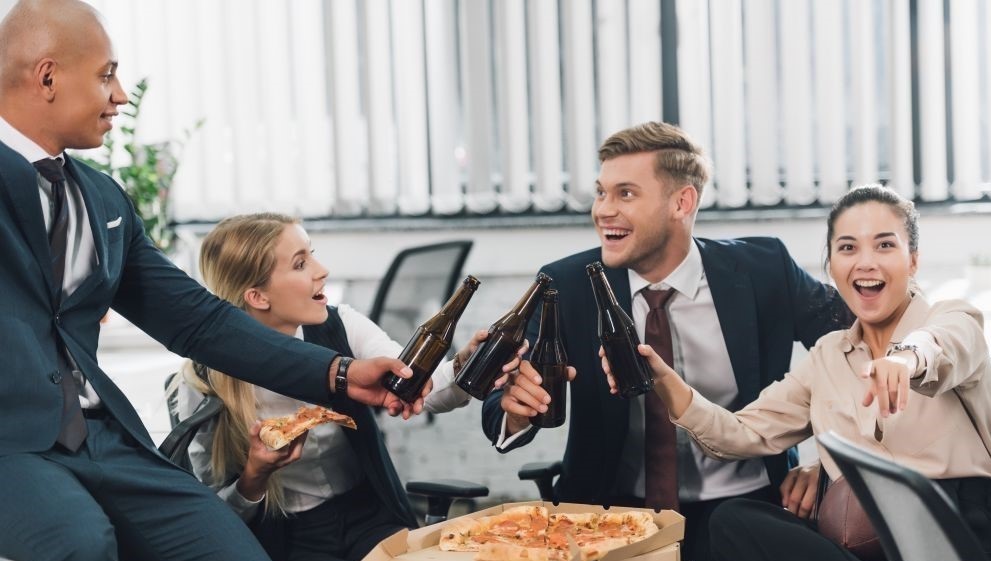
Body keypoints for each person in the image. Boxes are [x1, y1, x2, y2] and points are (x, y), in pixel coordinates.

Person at [0, 2, 420, 559]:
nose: (121, 95)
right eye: (106, 74)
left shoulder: (104, 200)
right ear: (47, 76)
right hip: (11, 445)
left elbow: (199, 321)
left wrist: (338, 372)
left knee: (228, 546)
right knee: (84, 543)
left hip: (103, 436)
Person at [481, 121, 853, 561]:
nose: (603, 210)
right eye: (601, 193)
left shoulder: (764, 269)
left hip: (747, 504)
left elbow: (860, 345)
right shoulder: (565, 285)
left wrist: (830, 465)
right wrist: (515, 411)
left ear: (682, 201)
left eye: (626, 194)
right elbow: (499, 405)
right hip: (612, 510)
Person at [602, 184, 991, 560]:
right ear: (832, 265)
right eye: (848, 248)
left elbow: (947, 344)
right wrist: (667, 383)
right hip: (860, 541)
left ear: (913, 260)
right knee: (732, 521)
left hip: (952, 529)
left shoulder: (953, 317)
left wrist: (905, 359)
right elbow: (745, 433)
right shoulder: (826, 356)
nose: (865, 261)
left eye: (885, 245)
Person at [175, 213, 523, 561]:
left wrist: (465, 364)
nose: (321, 269)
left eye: (312, 253)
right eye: (300, 264)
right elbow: (211, 522)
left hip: (368, 515)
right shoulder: (204, 380)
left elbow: (422, 390)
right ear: (257, 296)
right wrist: (255, 475)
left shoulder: (342, 325)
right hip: (283, 536)